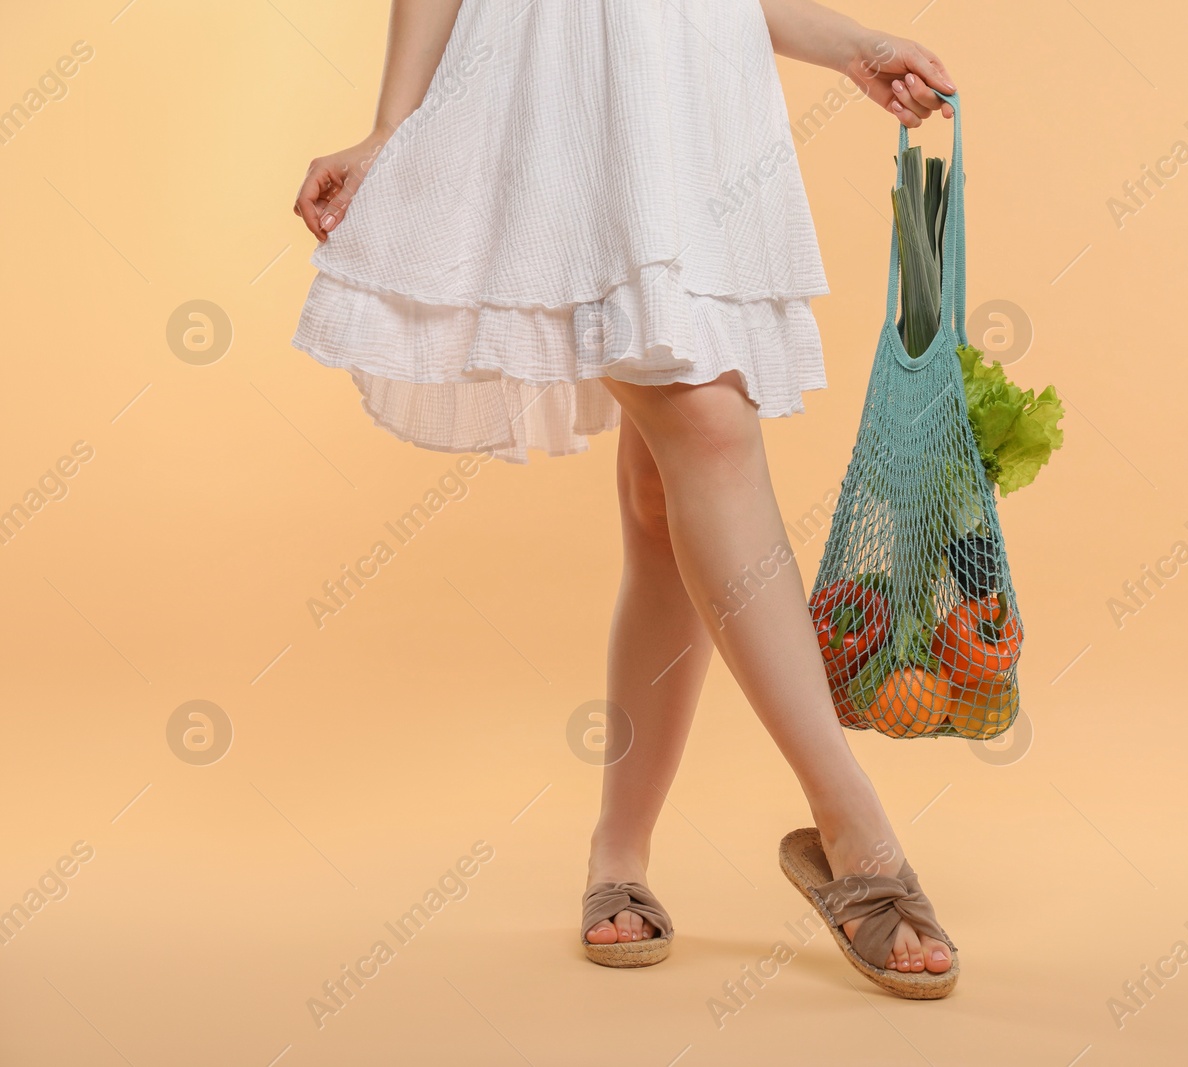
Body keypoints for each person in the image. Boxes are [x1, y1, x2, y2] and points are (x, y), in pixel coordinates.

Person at [290, 0, 960, 996]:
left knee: (660, 504)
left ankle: (618, 850)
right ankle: (853, 830)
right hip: (561, 92)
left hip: (691, 107)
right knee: (707, 430)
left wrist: (847, 46)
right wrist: (396, 122)